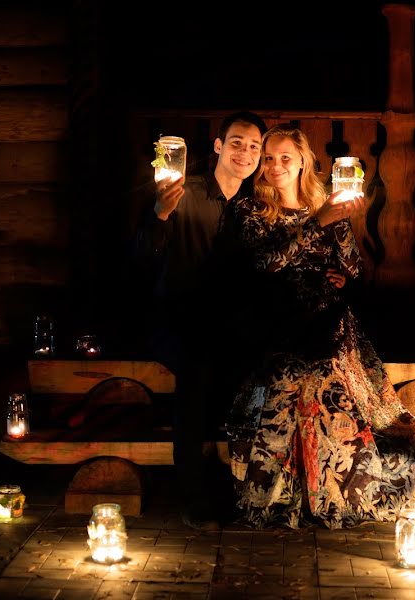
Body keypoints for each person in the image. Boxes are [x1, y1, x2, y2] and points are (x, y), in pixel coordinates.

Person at [224, 124, 415, 530]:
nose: (276, 166)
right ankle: (290, 489)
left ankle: (337, 484)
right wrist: (317, 223)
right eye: (270, 158)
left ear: (303, 164)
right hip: (280, 326)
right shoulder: (251, 210)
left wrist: (341, 263)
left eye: (286, 159)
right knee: (294, 378)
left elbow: (352, 266)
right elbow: (265, 265)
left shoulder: (323, 203)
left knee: (333, 384)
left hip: (329, 325)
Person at [133, 111, 268, 531]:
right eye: (236, 143)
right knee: (197, 368)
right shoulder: (183, 192)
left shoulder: (256, 206)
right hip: (178, 320)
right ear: (217, 146)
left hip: (230, 323)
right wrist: (158, 214)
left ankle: (250, 493)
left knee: (262, 366)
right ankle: (194, 497)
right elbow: (142, 255)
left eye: (253, 146)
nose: (245, 153)